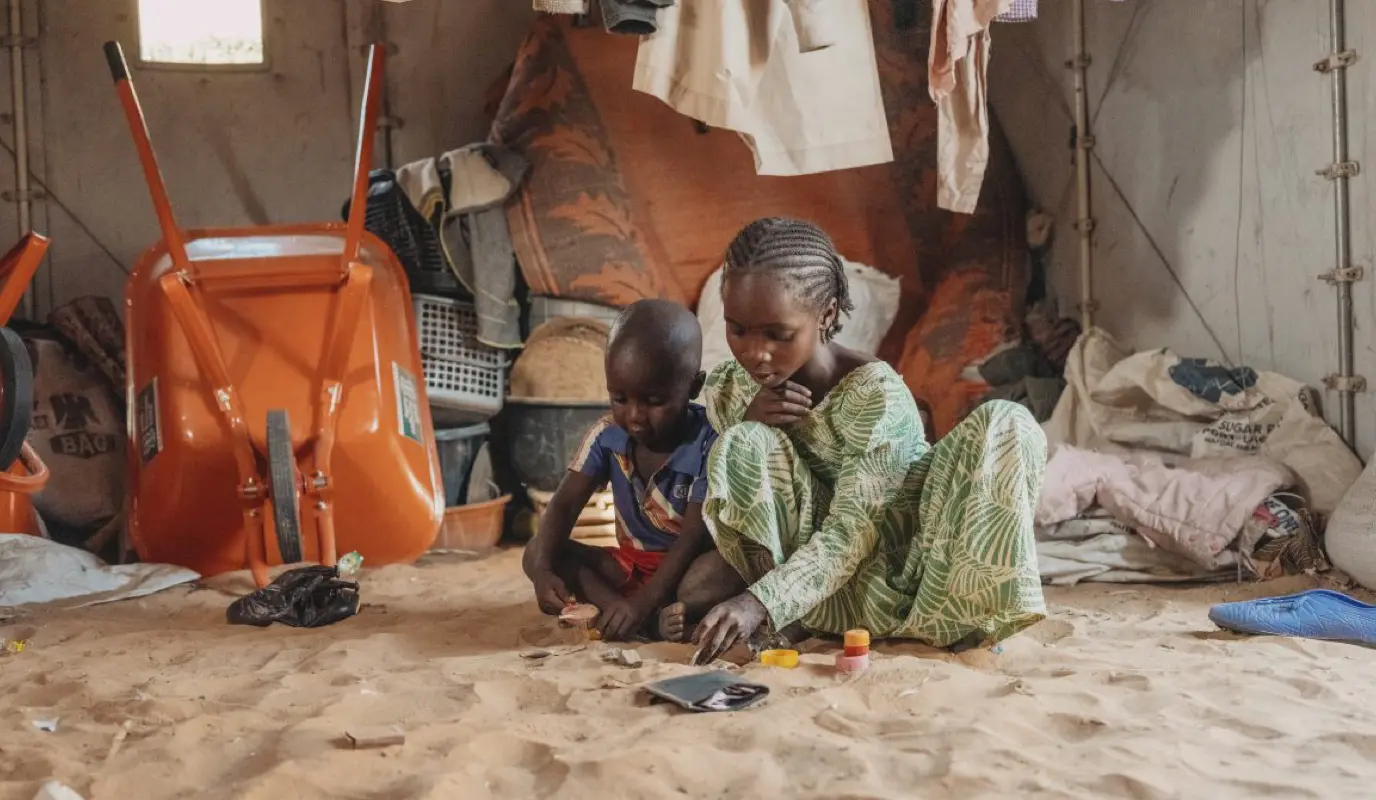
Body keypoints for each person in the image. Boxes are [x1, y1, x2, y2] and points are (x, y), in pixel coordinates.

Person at [691, 217, 1047, 663]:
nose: (754, 352)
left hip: (911, 579)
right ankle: (793, 619)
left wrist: (756, 601)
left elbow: (852, 534)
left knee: (1008, 422)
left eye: (778, 335)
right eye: (737, 329)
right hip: (817, 598)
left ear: (826, 315)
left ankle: (961, 626)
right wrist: (750, 422)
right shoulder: (734, 387)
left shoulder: (874, 394)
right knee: (740, 442)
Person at [522, 299, 746, 642]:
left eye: (654, 401)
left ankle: (636, 615)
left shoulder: (709, 442)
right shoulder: (606, 436)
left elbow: (691, 537)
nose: (635, 416)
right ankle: (628, 615)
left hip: (685, 568)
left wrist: (643, 602)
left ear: (693, 387)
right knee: (537, 551)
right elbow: (564, 505)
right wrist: (542, 570)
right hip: (627, 566)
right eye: (620, 398)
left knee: (723, 570)